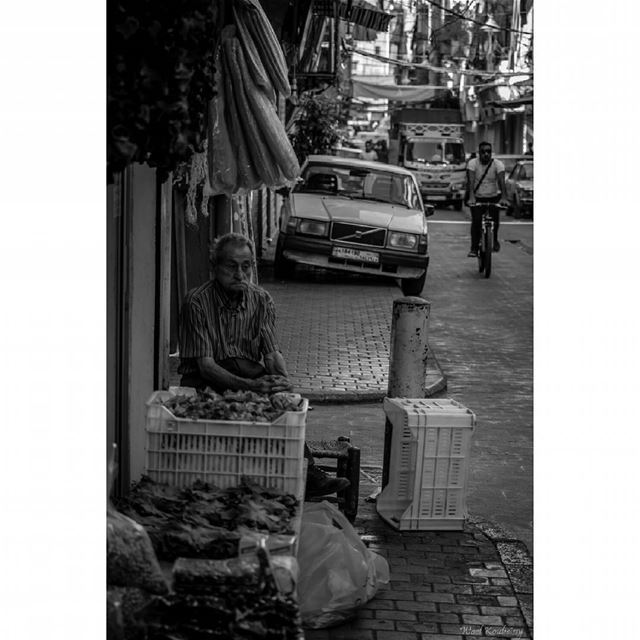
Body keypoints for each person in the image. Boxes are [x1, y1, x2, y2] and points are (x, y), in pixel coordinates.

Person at [178, 232, 350, 498]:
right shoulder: (197, 302)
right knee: (236, 410)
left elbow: (271, 354)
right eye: (231, 266)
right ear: (214, 268)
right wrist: (252, 386)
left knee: (284, 407)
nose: (239, 274)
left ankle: (307, 473)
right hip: (204, 381)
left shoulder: (261, 300)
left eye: (246, 266)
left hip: (247, 375)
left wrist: (283, 385)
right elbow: (206, 366)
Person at [466, 142, 509, 256]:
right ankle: (474, 248)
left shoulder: (498, 164)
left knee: (495, 221)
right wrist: (471, 197)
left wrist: (504, 197)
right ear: (479, 153)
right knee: (476, 222)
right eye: (483, 151)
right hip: (477, 197)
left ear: (491, 153)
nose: (486, 154)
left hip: (493, 197)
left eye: (488, 151)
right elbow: (470, 181)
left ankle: (494, 240)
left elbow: (501, 181)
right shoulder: (472, 163)